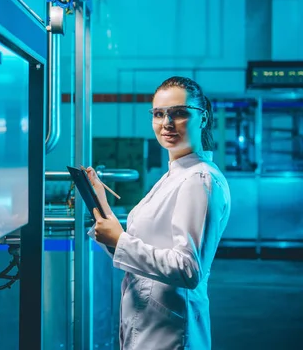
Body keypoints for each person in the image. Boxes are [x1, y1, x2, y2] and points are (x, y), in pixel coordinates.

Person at [86, 76, 231, 350]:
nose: (167, 123)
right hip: (149, 324)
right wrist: (102, 206)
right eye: (159, 113)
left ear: (202, 118)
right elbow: (141, 245)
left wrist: (120, 241)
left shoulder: (198, 180)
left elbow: (188, 270)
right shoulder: (173, 176)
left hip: (172, 332)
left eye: (179, 113)